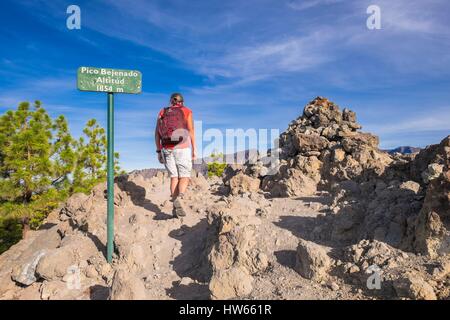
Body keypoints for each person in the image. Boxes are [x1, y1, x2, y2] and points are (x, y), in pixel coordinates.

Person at [155, 93, 196, 217]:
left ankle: (174, 206)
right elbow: (191, 131)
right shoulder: (187, 111)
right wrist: (194, 149)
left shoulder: (162, 111)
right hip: (182, 147)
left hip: (166, 148)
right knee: (184, 176)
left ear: (171, 101)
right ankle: (181, 198)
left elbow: (157, 133)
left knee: (174, 177)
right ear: (182, 101)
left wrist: (158, 150)